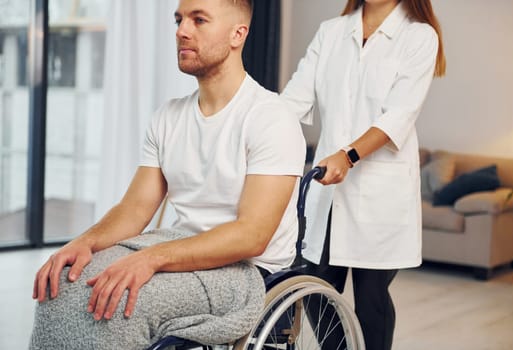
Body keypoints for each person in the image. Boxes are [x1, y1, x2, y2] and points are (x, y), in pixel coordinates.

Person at [30, 0, 306, 348]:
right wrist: (83, 242)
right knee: (62, 288)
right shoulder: (169, 117)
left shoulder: (271, 118)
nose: (181, 31)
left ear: (239, 34)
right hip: (179, 247)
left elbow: (251, 236)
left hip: (247, 271)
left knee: (117, 304)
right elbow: (133, 210)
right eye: (179, 19)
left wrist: (151, 259)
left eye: (199, 20)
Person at [281, 0, 446, 349]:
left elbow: (398, 115)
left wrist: (349, 154)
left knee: (371, 301)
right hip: (327, 196)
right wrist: (250, 125)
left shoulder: (419, 37)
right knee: (312, 286)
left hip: (380, 195)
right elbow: (293, 99)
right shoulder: (331, 32)